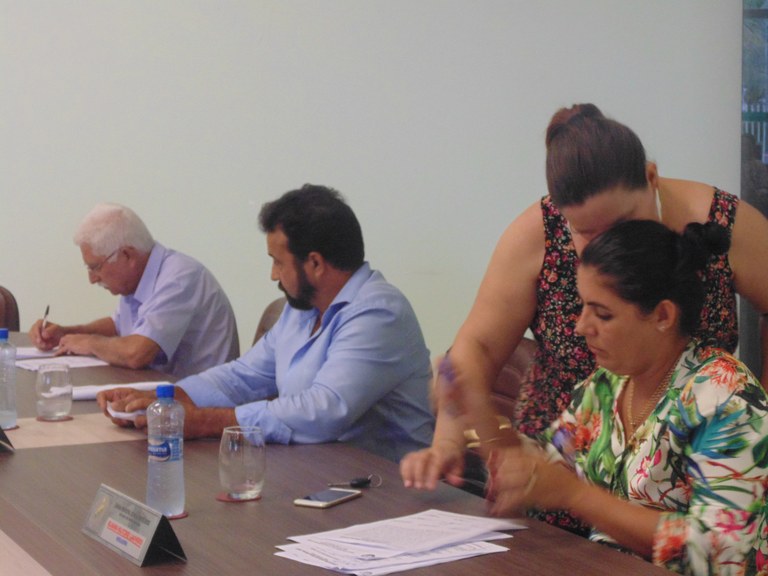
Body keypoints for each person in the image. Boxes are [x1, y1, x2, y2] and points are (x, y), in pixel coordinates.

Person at [400, 104, 768, 527]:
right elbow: (480, 354)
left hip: (687, 484)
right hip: (576, 477)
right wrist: (464, 427)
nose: (608, 246)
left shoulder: (722, 398)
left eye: (604, 313)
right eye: (586, 233)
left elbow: (713, 545)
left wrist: (758, 435)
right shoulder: (602, 392)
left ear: (650, 177)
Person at [462, 220, 768, 575]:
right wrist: (486, 424)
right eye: (583, 307)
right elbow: (550, 461)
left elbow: (721, 551)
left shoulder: (725, 397)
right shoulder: (609, 385)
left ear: (663, 315)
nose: (581, 326)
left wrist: (577, 496)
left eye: (602, 314)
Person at [98, 185, 435, 462]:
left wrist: (205, 421)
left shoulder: (378, 313)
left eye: (278, 262)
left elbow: (324, 411)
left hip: (386, 489)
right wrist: (164, 399)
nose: (273, 275)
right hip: (316, 470)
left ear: (315, 263)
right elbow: (243, 376)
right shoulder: (304, 308)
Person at [28, 203, 239, 378]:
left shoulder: (179, 279)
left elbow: (136, 353)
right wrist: (67, 334)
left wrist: (90, 343)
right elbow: (118, 326)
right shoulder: (138, 278)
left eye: (95, 267)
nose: (92, 279)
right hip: (164, 395)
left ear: (127, 255)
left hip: (199, 407)